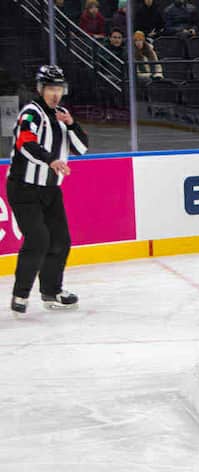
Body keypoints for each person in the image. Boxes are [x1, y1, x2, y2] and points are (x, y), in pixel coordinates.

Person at [7, 66, 88, 315]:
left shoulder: (62, 114)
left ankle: (51, 291)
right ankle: (20, 295)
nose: (55, 94)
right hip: (24, 189)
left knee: (61, 240)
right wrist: (51, 160)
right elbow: (25, 142)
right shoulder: (31, 114)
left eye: (59, 88)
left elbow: (82, 148)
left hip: (51, 191)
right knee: (38, 239)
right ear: (41, 89)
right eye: (51, 88)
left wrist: (72, 125)